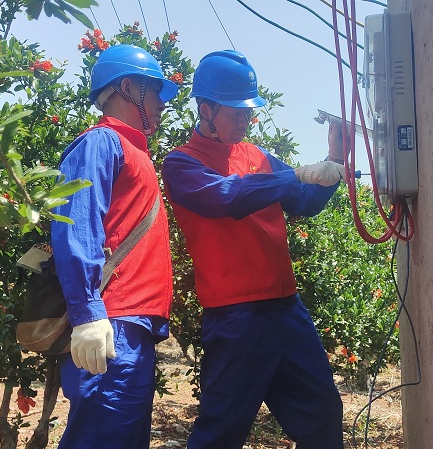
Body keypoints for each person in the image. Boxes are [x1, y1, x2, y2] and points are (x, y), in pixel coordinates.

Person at [161, 49, 347, 449]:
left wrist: (334, 163)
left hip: (286, 310)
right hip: (236, 318)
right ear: (206, 109)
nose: (245, 120)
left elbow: (303, 202)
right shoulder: (182, 165)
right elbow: (228, 196)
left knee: (323, 416)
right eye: (236, 112)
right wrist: (294, 175)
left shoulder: (257, 155)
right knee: (221, 432)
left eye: (248, 112)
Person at [50, 44, 178, 449]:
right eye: (155, 92)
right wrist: (88, 312)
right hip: (113, 323)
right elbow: (76, 226)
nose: (162, 104)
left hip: (133, 327)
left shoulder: (136, 151)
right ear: (128, 88)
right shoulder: (100, 143)